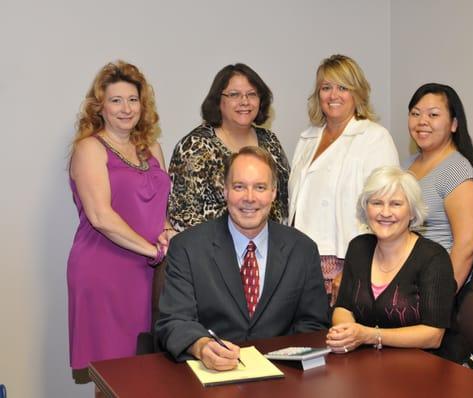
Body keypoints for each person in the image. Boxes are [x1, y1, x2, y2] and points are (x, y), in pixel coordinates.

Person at [156, 146, 329, 370]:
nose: (249, 198)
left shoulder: (303, 250)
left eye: (260, 187)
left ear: (274, 192)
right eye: (239, 187)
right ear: (225, 190)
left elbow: (313, 324)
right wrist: (202, 346)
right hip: (210, 376)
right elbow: (174, 320)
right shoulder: (188, 248)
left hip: (281, 376)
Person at [67, 61, 173, 382]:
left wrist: (168, 234)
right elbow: (100, 216)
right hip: (105, 272)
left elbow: (160, 208)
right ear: (100, 107)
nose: (126, 108)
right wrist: (152, 251)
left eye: (133, 99)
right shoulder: (89, 148)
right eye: (116, 100)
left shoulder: (152, 147)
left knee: (150, 372)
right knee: (113, 375)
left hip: (151, 275)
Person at [288, 54, 399, 303]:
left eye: (342, 87)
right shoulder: (307, 138)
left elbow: (385, 211)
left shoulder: (374, 138)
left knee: (341, 337)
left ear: (357, 93)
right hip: (302, 260)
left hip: (347, 261)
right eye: (326, 88)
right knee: (307, 337)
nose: (333, 95)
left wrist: (353, 269)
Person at [326, 166, 464, 363]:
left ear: (412, 212)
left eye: (396, 204)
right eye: (376, 203)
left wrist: (367, 335)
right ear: (366, 209)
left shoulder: (433, 258)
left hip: (432, 367)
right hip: (372, 363)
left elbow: (433, 336)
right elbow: (343, 307)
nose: (385, 212)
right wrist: (347, 333)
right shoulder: (359, 247)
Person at [168, 63, 289, 231]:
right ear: (218, 101)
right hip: (212, 252)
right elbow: (182, 216)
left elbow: (284, 202)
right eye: (234, 95)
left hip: (269, 250)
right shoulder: (196, 146)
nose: (244, 101)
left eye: (251, 94)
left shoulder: (270, 141)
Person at [403, 83, 473, 290]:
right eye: (415, 113)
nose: (422, 121)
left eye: (433, 115)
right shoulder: (404, 166)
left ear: (453, 124)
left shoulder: (457, 172)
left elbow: (466, 246)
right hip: (405, 282)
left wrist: (440, 297)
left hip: (433, 285)